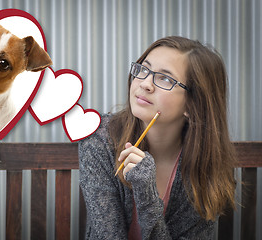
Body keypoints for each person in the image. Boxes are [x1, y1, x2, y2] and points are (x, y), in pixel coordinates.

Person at [79, 36, 236, 239]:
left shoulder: (205, 164)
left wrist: (147, 192)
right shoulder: (99, 138)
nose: (145, 84)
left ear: (192, 104)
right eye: (144, 69)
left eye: (165, 79)